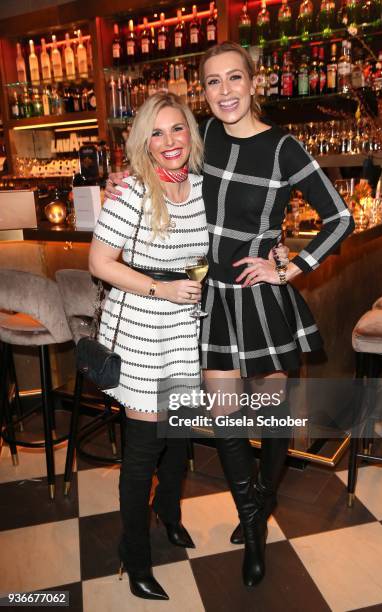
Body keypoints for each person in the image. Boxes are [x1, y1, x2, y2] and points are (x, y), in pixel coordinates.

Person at [105, 42, 355, 589]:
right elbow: (157, 155)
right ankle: (254, 526)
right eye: (213, 82)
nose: (225, 91)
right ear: (205, 90)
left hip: (261, 300)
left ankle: (259, 512)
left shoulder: (285, 147)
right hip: (213, 300)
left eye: (234, 78)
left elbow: (340, 216)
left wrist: (289, 266)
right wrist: (121, 181)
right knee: (226, 421)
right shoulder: (202, 137)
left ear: (253, 81)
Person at [89, 92, 209, 601]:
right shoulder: (132, 192)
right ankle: (134, 554)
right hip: (142, 327)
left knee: (178, 438)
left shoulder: (204, 187)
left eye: (177, 129)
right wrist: (162, 288)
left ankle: (170, 514)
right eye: (156, 133)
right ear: (143, 141)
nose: (169, 142)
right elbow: (100, 263)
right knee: (145, 450)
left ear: (190, 133)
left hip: (183, 327)